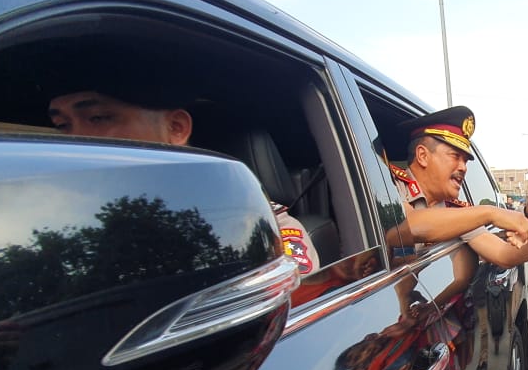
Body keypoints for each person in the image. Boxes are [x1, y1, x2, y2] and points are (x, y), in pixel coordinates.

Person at [47, 85, 322, 276]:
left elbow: (289, 293)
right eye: (62, 126)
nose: (75, 140)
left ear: (176, 128)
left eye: (98, 118)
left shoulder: (261, 224)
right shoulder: (58, 220)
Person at [387, 105, 528, 268]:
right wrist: (491, 213)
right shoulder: (387, 187)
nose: (463, 168)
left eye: (465, 161)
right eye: (455, 157)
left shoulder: (457, 213)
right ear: (422, 156)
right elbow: (407, 226)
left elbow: (503, 255)